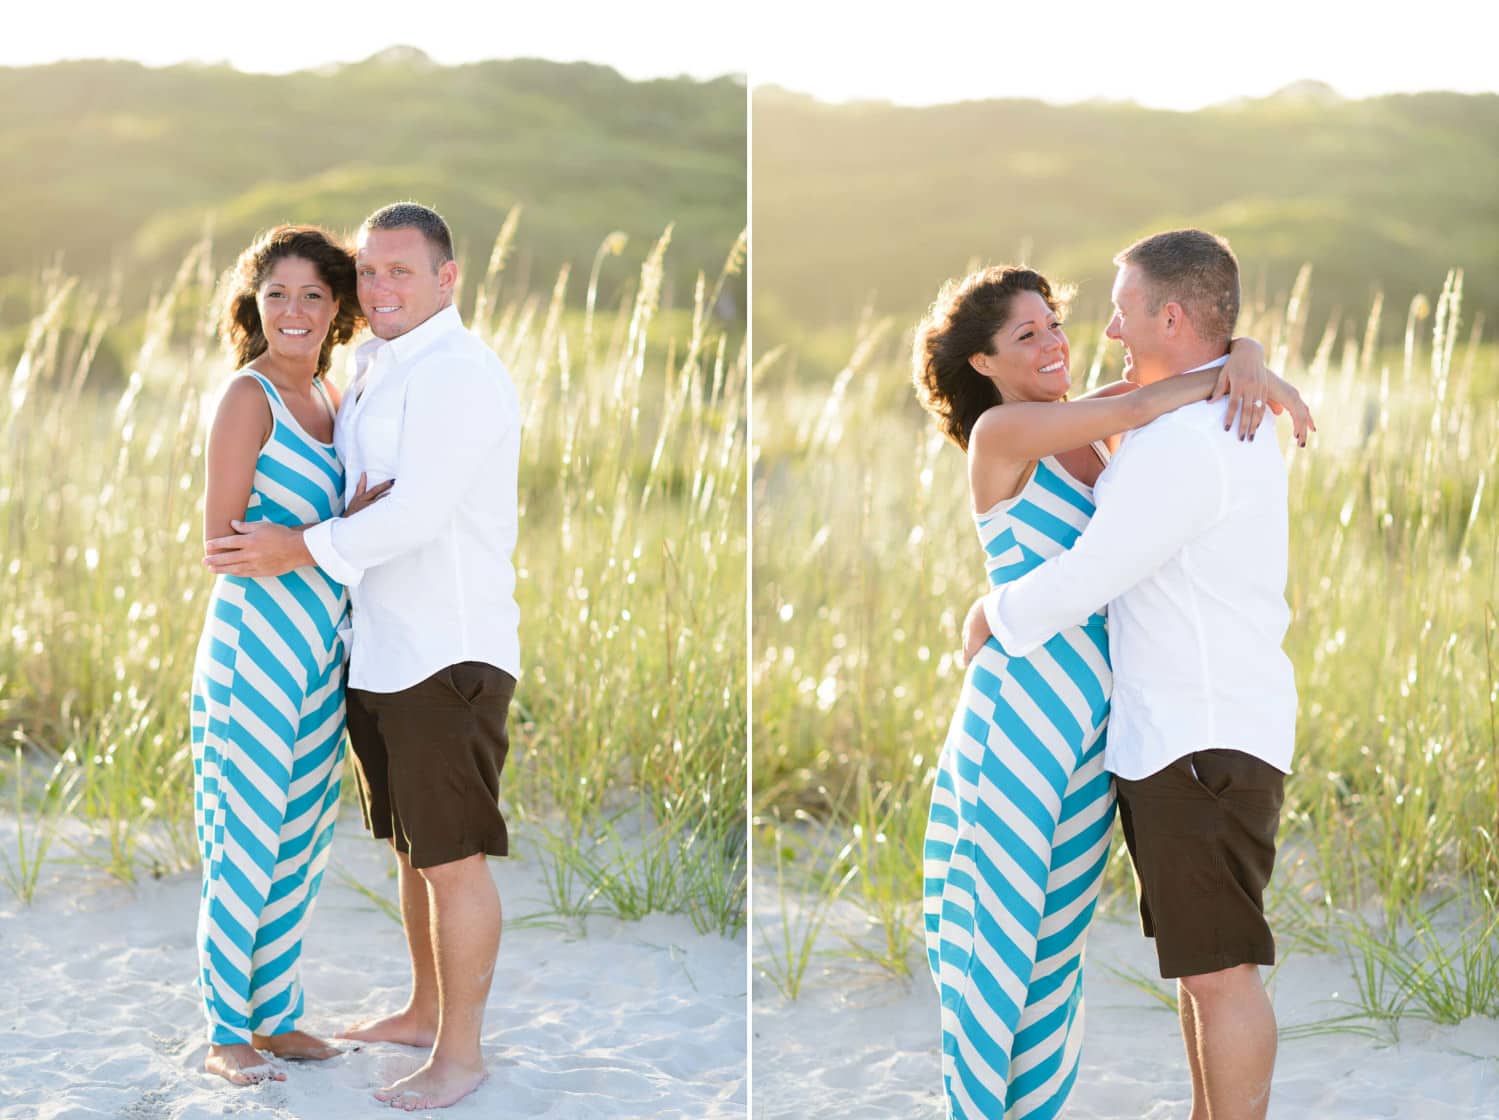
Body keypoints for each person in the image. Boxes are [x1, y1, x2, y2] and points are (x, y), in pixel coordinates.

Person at [916, 259, 1311, 1119]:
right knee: (1000, 928)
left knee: (1053, 942)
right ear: (982, 364)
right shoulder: (1005, 434)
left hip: (1097, 722)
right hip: (1025, 704)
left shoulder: (1082, 421)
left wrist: (1244, 351)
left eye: (1053, 322)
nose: (1056, 341)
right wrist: (1246, 365)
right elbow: (1143, 399)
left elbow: (1152, 379)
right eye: (1027, 335)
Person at [203, 202, 522, 1112]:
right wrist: (344, 514)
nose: (382, 287)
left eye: (402, 272)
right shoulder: (378, 370)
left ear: (446, 278)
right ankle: (424, 1012)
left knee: (452, 857)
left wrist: (307, 540)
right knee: (414, 851)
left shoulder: (456, 372)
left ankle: (459, 1055)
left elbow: (415, 515)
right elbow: (358, 500)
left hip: (443, 653)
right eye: (371, 272)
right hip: (371, 651)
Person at [192, 225, 388, 1086]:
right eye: (278, 294)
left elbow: (335, 534)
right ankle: (225, 1029)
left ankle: (276, 1017)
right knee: (245, 836)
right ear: (255, 303)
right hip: (254, 654)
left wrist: (352, 519)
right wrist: (330, 533)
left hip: (323, 653)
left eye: (313, 294)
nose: (295, 311)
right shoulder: (251, 398)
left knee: (300, 838)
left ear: (339, 307)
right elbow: (221, 543)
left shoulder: (336, 400)